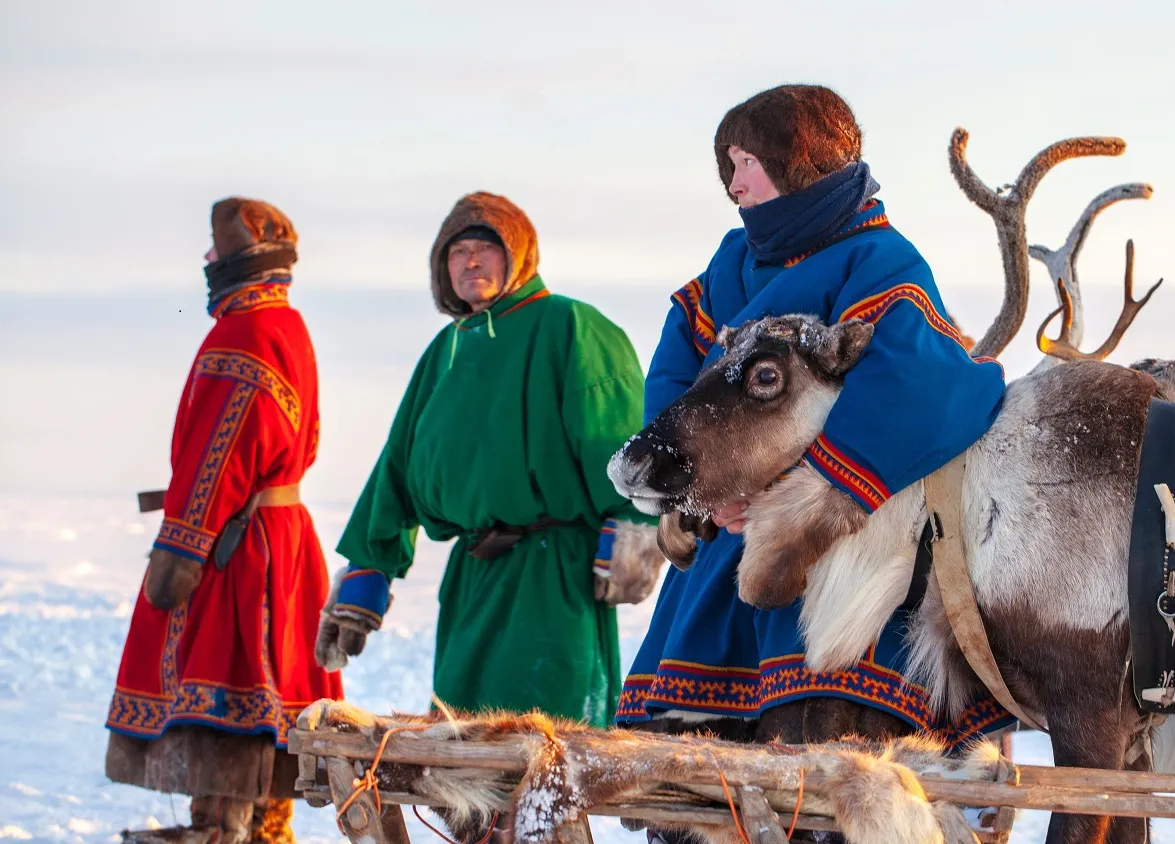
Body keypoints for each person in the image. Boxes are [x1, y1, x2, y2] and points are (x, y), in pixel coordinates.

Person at [620, 84, 1014, 778]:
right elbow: (677, 383)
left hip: (839, 555)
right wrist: (705, 494)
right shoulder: (725, 271)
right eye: (730, 165)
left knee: (833, 769)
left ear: (798, 160)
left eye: (748, 162)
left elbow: (926, 382)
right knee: (698, 777)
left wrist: (804, 498)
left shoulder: (877, 258)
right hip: (726, 542)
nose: (734, 182)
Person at [320, 192, 663, 726]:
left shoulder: (571, 326)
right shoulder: (445, 351)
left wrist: (635, 533)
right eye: (457, 253)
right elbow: (398, 467)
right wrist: (368, 570)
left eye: (485, 247)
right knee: (460, 745)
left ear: (519, 255)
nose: (471, 261)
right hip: (471, 576)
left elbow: (620, 440)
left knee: (546, 746)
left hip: (556, 573)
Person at [107, 197, 339, 844]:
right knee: (264, 694)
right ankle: (263, 825)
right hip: (280, 539)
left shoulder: (244, 333)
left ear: (238, 259)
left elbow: (219, 454)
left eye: (214, 250)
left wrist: (180, 550)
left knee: (229, 681)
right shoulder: (287, 325)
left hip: (239, 548)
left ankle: (222, 826)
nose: (206, 260)